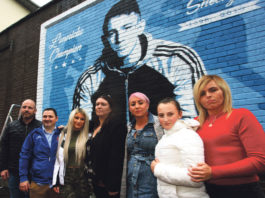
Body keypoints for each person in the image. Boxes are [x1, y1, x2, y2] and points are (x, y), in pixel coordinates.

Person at [72, 0, 205, 122]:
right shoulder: (91, 78)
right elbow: (82, 128)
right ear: (106, 38)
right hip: (113, 147)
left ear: (140, 26)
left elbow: (191, 121)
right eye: (113, 33)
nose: (119, 38)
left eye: (127, 28)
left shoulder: (176, 59)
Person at [189, 75, 265, 198]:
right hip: (208, 190)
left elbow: (260, 160)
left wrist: (213, 172)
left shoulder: (241, 116)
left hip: (243, 190)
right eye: (202, 93)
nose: (208, 95)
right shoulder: (195, 124)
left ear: (224, 91)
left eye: (213, 90)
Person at [150, 97, 209, 198]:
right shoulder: (166, 137)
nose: (165, 119)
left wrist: (157, 169)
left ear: (180, 114)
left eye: (170, 114)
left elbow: (195, 179)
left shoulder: (188, 136)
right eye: (161, 115)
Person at [86, 94, 126, 198]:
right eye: (97, 104)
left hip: (106, 183)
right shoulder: (93, 126)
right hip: (93, 180)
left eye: (103, 104)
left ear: (111, 108)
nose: (99, 106)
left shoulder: (116, 126)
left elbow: (116, 157)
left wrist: (112, 186)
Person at [124, 92, 163, 198]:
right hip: (131, 180)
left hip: (151, 180)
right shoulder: (129, 127)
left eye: (140, 103)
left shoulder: (159, 123)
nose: (136, 106)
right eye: (133, 104)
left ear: (148, 104)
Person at [0, 99, 41, 198]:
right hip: (14, 172)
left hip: (34, 174)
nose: (26, 110)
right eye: (24, 107)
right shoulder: (11, 126)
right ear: (20, 109)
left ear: (35, 111)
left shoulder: (40, 127)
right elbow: (4, 148)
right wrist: (3, 168)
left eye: (30, 108)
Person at [19, 108, 61, 198]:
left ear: (56, 118)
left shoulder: (62, 134)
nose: (47, 119)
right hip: (38, 184)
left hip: (57, 184)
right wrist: (23, 178)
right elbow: (24, 156)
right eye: (45, 116)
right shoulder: (34, 134)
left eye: (50, 116)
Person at [52, 108, 91, 198]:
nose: (79, 121)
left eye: (82, 119)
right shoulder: (63, 135)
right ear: (71, 119)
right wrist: (56, 182)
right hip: (66, 175)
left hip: (83, 176)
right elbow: (58, 160)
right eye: (76, 118)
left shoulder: (89, 136)